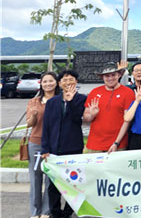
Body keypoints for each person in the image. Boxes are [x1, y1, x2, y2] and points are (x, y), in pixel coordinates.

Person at [41, 70, 86, 218]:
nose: (68, 82)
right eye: (64, 80)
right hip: (54, 149)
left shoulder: (81, 99)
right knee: (53, 184)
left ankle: (68, 212)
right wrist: (45, 148)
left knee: (73, 182)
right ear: (60, 83)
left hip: (73, 147)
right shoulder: (52, 102)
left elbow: (77, 118)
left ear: (76, 82)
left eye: (71, 79)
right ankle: (55, 212)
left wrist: (71, 100)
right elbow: (46, 126)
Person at [26, 72, 60, 218]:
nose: (48, 84)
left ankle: (46, 212)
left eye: (51, 81)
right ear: (41, 84)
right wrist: (33, 115)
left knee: (50, 179)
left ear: (56, 82)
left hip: (55, 145)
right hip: (36, 143)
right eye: (45, 81)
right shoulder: (35, 101)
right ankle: (35, 212)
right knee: (35, 178)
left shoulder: (61, 101)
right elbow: (30, 124)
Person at [83, 62, 135, 152]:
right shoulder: (94, 92)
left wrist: (116, 143)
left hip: (118, 144)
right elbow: (86, 118)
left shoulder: (128, 93)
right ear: (102, 77)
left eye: (113, 75)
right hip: (95, 144)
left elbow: (128, 120)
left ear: (119, 75)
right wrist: (92, 115)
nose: (110, 78)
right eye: (107, 76)